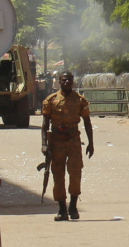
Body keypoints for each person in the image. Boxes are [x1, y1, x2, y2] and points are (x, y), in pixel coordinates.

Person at [40, 71, 94, 221]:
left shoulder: (80, 100)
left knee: (75, 173)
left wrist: (91, 143)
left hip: (73, 141)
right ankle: (62, 209)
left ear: (73, 82)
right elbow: (45, 125)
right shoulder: (51, 101)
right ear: (59, 81)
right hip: (56, 141)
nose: (66, 83)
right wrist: (44, 144)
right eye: (63, 80)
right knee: (58, 175)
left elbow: (87, 123)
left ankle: (73, 207)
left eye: (69, 80)